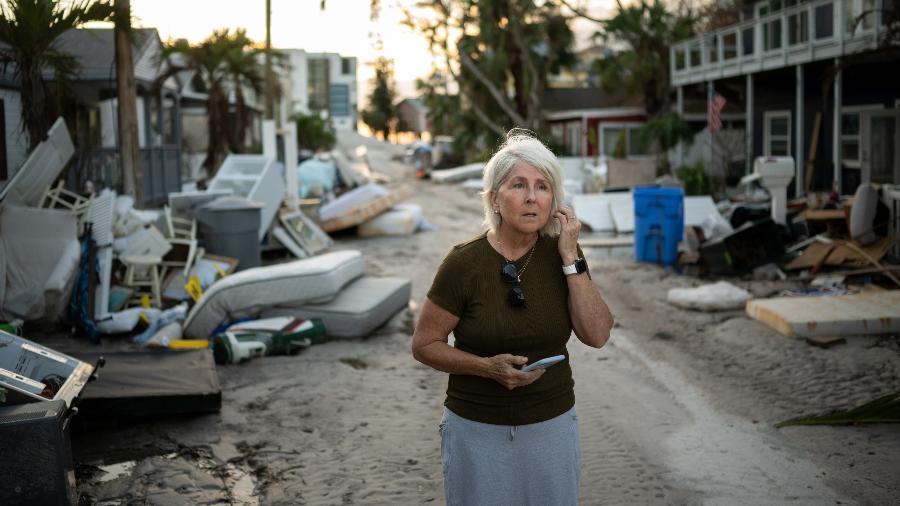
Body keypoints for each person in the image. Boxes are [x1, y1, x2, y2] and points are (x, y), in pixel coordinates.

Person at [411, 130, 614, 505]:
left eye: (543, 186)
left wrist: (571, 260)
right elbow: (424, 345)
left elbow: (598, 334)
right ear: (495, 199)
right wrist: (485, 367)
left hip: (552, 425)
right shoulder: (463, 263)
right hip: (476, 429)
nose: (532, 197)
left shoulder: (563, 254)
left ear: (555, 200)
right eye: (519, 185)